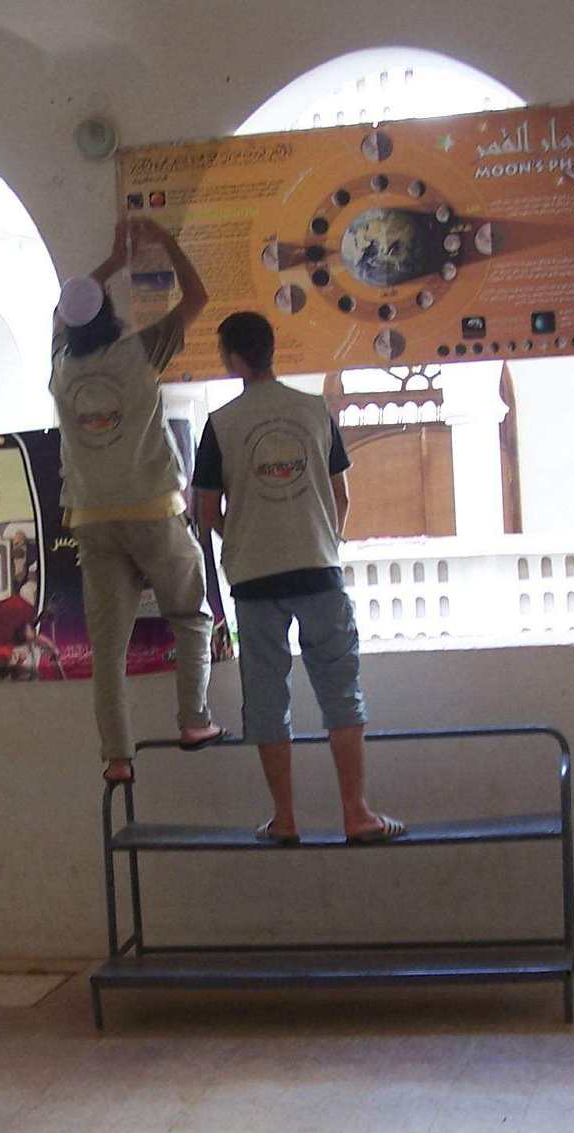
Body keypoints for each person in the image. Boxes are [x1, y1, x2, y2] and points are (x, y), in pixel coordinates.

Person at [193, 310, 403, 845]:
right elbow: (342, 496)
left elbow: (205, 510)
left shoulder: (220, 424)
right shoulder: (314, 410)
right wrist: (326, 540)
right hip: (318, 569)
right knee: (341, 692)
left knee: (267, 698)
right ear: (270, 350)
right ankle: (356, 813)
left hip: (254, 579)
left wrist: (241, 537)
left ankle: (284, 818)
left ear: (232, 359)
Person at [51, 216, 224, 783]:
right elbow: (198, 298)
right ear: (109, 313)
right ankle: (195, 720)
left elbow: (65, 310)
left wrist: (110, 261)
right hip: (153, 510)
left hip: (90, 518)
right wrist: (163, 243)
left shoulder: (60, 366)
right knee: (191, 616)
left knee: (107, 648)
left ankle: (118, 757)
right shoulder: (140, 352)